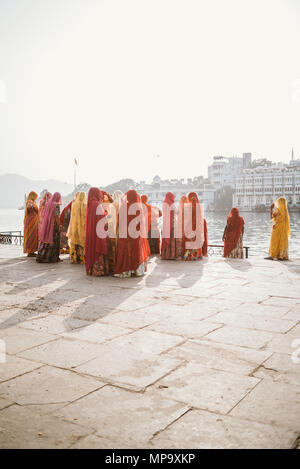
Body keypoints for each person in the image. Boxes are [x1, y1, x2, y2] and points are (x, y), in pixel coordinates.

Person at [114, 190, 150, 277]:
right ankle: (137, 270)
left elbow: (119, 221)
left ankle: (126, 271)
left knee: (125, 251)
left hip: (125, 233)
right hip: (136, 233)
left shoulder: (123, 207)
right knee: (136, 251)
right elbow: (141, 223)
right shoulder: (139, 207)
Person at [85, 187, 109, 276]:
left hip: (91, 231)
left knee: (91, 248)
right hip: (98, 232)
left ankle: (91, 270)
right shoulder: (97, 204)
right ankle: (98, 270)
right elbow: (102, 220)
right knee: (98, 248)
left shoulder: (90, 204)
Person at [36, 192, 62, 263]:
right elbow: (56, 216)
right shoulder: (56, 205)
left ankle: (42, 256)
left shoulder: (48, 204)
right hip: (54, 226)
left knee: (46, 239)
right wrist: (59, 225)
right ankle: (52, 258)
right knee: (54, 241)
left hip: (47, 225)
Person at [182, 192, 204, 261]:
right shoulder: (199, 206)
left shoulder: (188, 207)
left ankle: (187, 256)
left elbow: (187, 218)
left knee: (189, 243)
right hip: (197, 227)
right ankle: (197, 256)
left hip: (190, 227)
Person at [67, 192, 87, 264]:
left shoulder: (74, 205)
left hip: (74, 226)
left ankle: (74, 258)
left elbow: (72, 216)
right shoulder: (84, 205)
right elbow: (85, 217)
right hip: (82, 227)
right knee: (81, 242)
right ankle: (81, 258)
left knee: (74, 242)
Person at [107, 190, 123, 273]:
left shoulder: (113, 205)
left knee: (114, 246)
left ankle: (115, 264)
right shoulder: (124, 204)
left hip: (115, 227)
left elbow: (111, 218)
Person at [161, 192, 181, 260]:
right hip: (172, 224)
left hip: (165, 224)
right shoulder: (172, 205)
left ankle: (165, 255)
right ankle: (171, 255)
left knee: (166, 238)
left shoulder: (163, 204)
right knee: (172, 239)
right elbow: (178, 212)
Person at [23, 191, 39, 257]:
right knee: (30, 235)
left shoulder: (33, 202)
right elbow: (29, 208)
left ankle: (32, 251)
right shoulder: (29, 202)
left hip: (34, 221)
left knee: (34, 235)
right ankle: (30, 251)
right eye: (35, 196)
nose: (36, 198)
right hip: (30, 221)